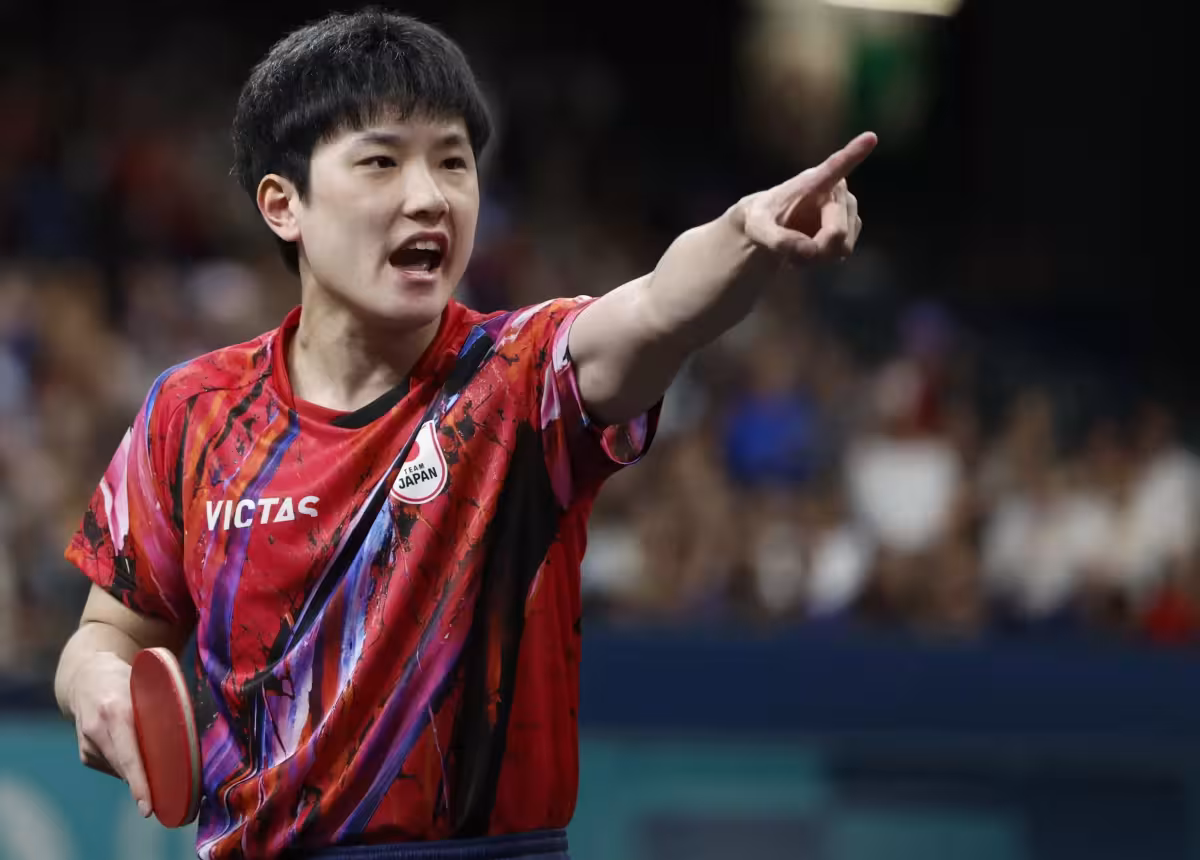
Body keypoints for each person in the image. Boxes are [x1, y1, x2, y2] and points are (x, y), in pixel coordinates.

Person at [52, 9, 872, 860]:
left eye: (453, 161)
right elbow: (107, 632)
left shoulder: (521, 378)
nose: (429, 197)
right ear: (283, 204)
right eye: (381, 162)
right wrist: (97, 681)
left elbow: (659, 308)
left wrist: (747, 235)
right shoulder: (194, 411)